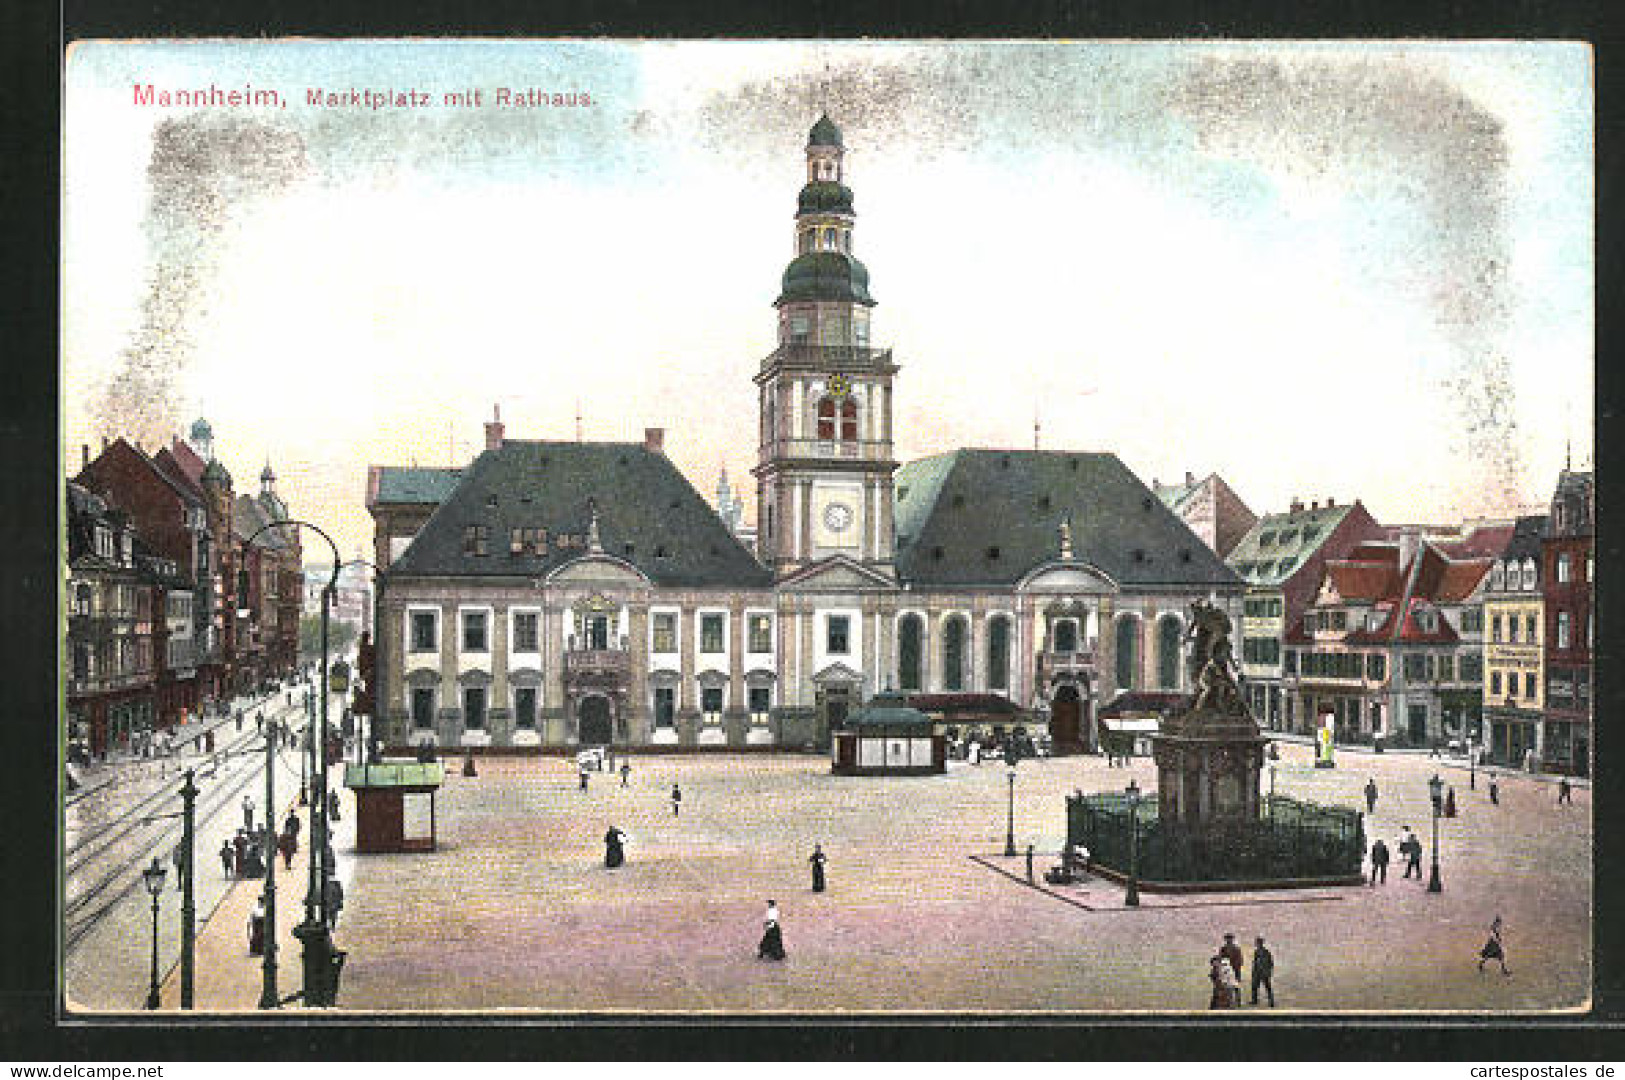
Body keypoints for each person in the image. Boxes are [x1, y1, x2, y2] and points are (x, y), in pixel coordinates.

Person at [1251, 936, 1275, 1006]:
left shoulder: (1266, 952)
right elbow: (1255, 962)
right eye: (1257, 943)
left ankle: (1271, 1001)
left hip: (1264, 972)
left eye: (1259, 943)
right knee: (1255, 987)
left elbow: (1270, 963)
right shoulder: (1256, 952)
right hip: (1257, 972)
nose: (1258, 944)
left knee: (1267, 987)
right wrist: (1254, 971)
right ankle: (1254, 1000)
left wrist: (1268, 971)